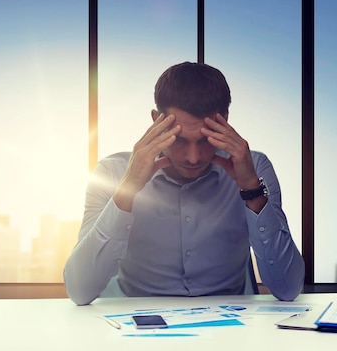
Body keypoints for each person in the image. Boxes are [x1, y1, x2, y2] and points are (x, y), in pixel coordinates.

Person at [63, 61, 305, 306]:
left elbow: (288, 288)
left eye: (204, 140)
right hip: (134, 327)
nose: (193, 157)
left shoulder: (255, 168)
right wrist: (128, 189)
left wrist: (251, 190)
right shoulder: (111, 172)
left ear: (225, 121)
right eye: (178, 140)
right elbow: (80, 290)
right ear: (156, 121)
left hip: (231, 329)